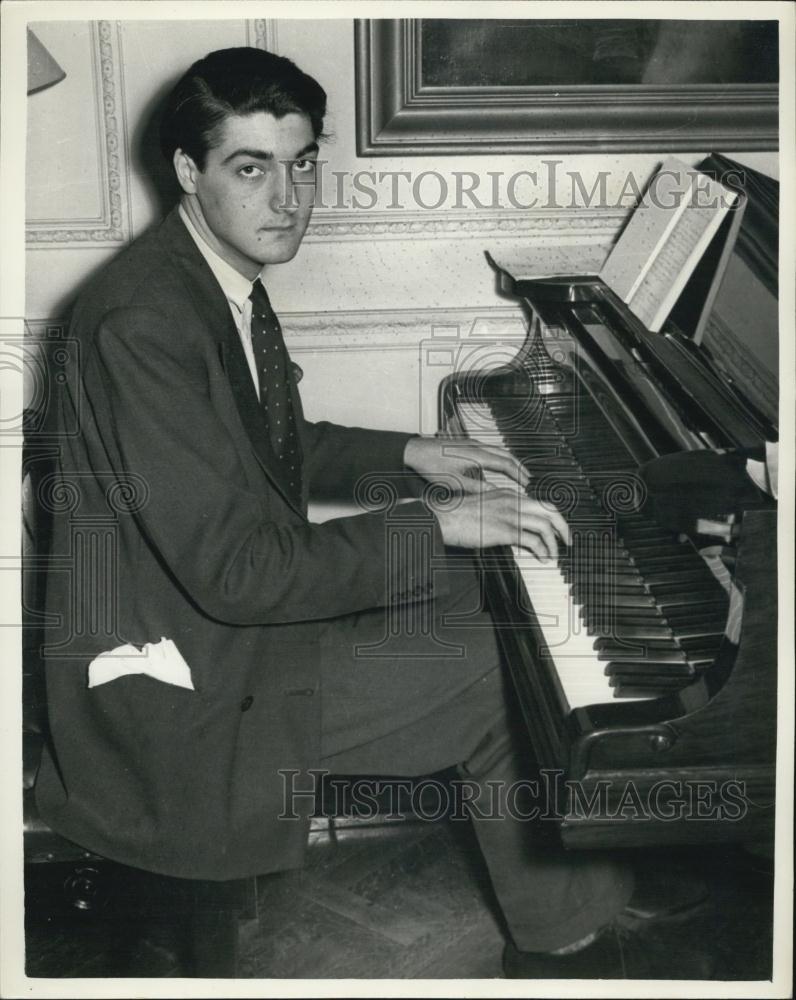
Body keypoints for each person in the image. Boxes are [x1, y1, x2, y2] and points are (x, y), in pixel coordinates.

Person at [35, 46, 703, 979]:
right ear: (190, 171)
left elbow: (263, 439)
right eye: (251, 167)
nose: (288, 198)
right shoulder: (144, 319)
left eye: (303, 162)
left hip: (211, 628)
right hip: (185, 690)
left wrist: (407, 453)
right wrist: (437, 523)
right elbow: (243, 574)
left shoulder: (201, 274)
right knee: (504, 669)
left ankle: (576, 900)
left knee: (501, 607)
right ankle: (566, 938)